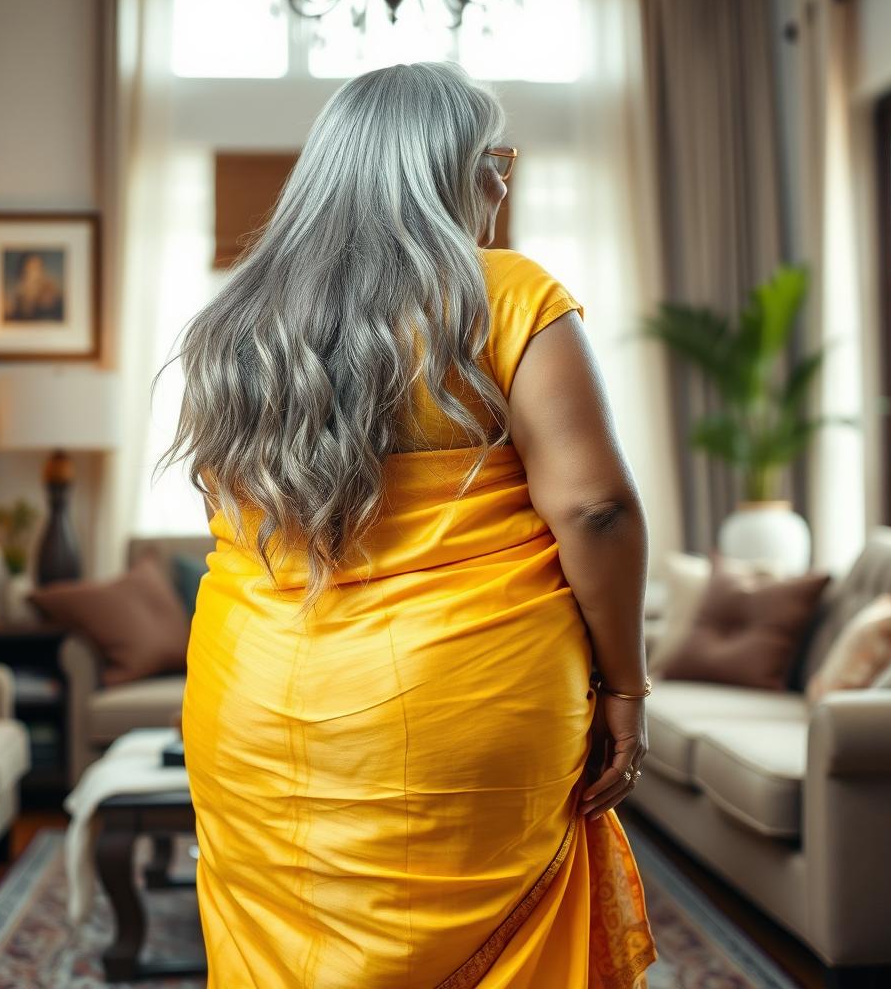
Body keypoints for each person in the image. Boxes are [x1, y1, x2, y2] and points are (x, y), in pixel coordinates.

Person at [158, 61, 657, 988]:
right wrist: (625, 687)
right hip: (464, 695)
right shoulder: (503, 291)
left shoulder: (237, 317)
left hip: (256, 700)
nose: (503, 183)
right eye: (492, 158)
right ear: (441, 169)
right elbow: (597, 507)